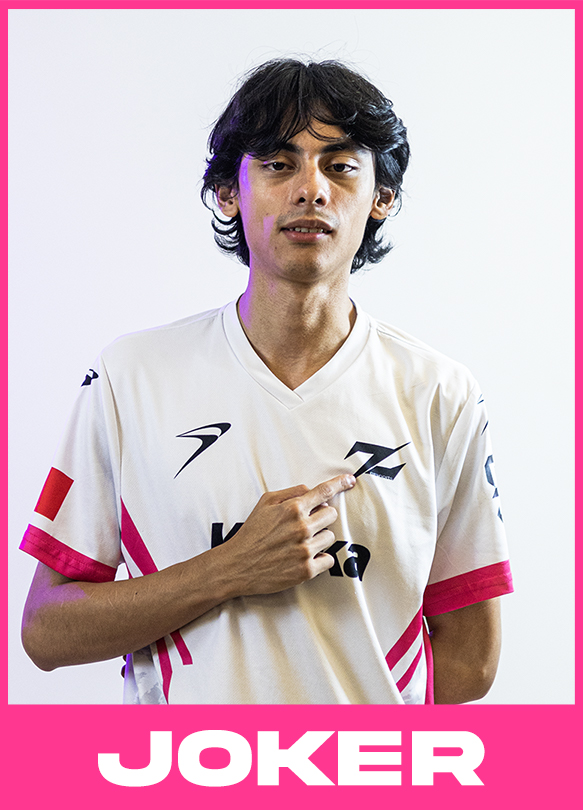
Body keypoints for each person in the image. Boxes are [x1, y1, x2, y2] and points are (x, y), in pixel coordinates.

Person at [20, 58, 513, 704]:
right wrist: (229, 568)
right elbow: (47, 631)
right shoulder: (132, 376)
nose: (311, 189)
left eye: (341, 166)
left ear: (382, 198)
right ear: (229, 192)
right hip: (191, 765)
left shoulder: (440, 392)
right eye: (279, 164)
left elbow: (472, 659)